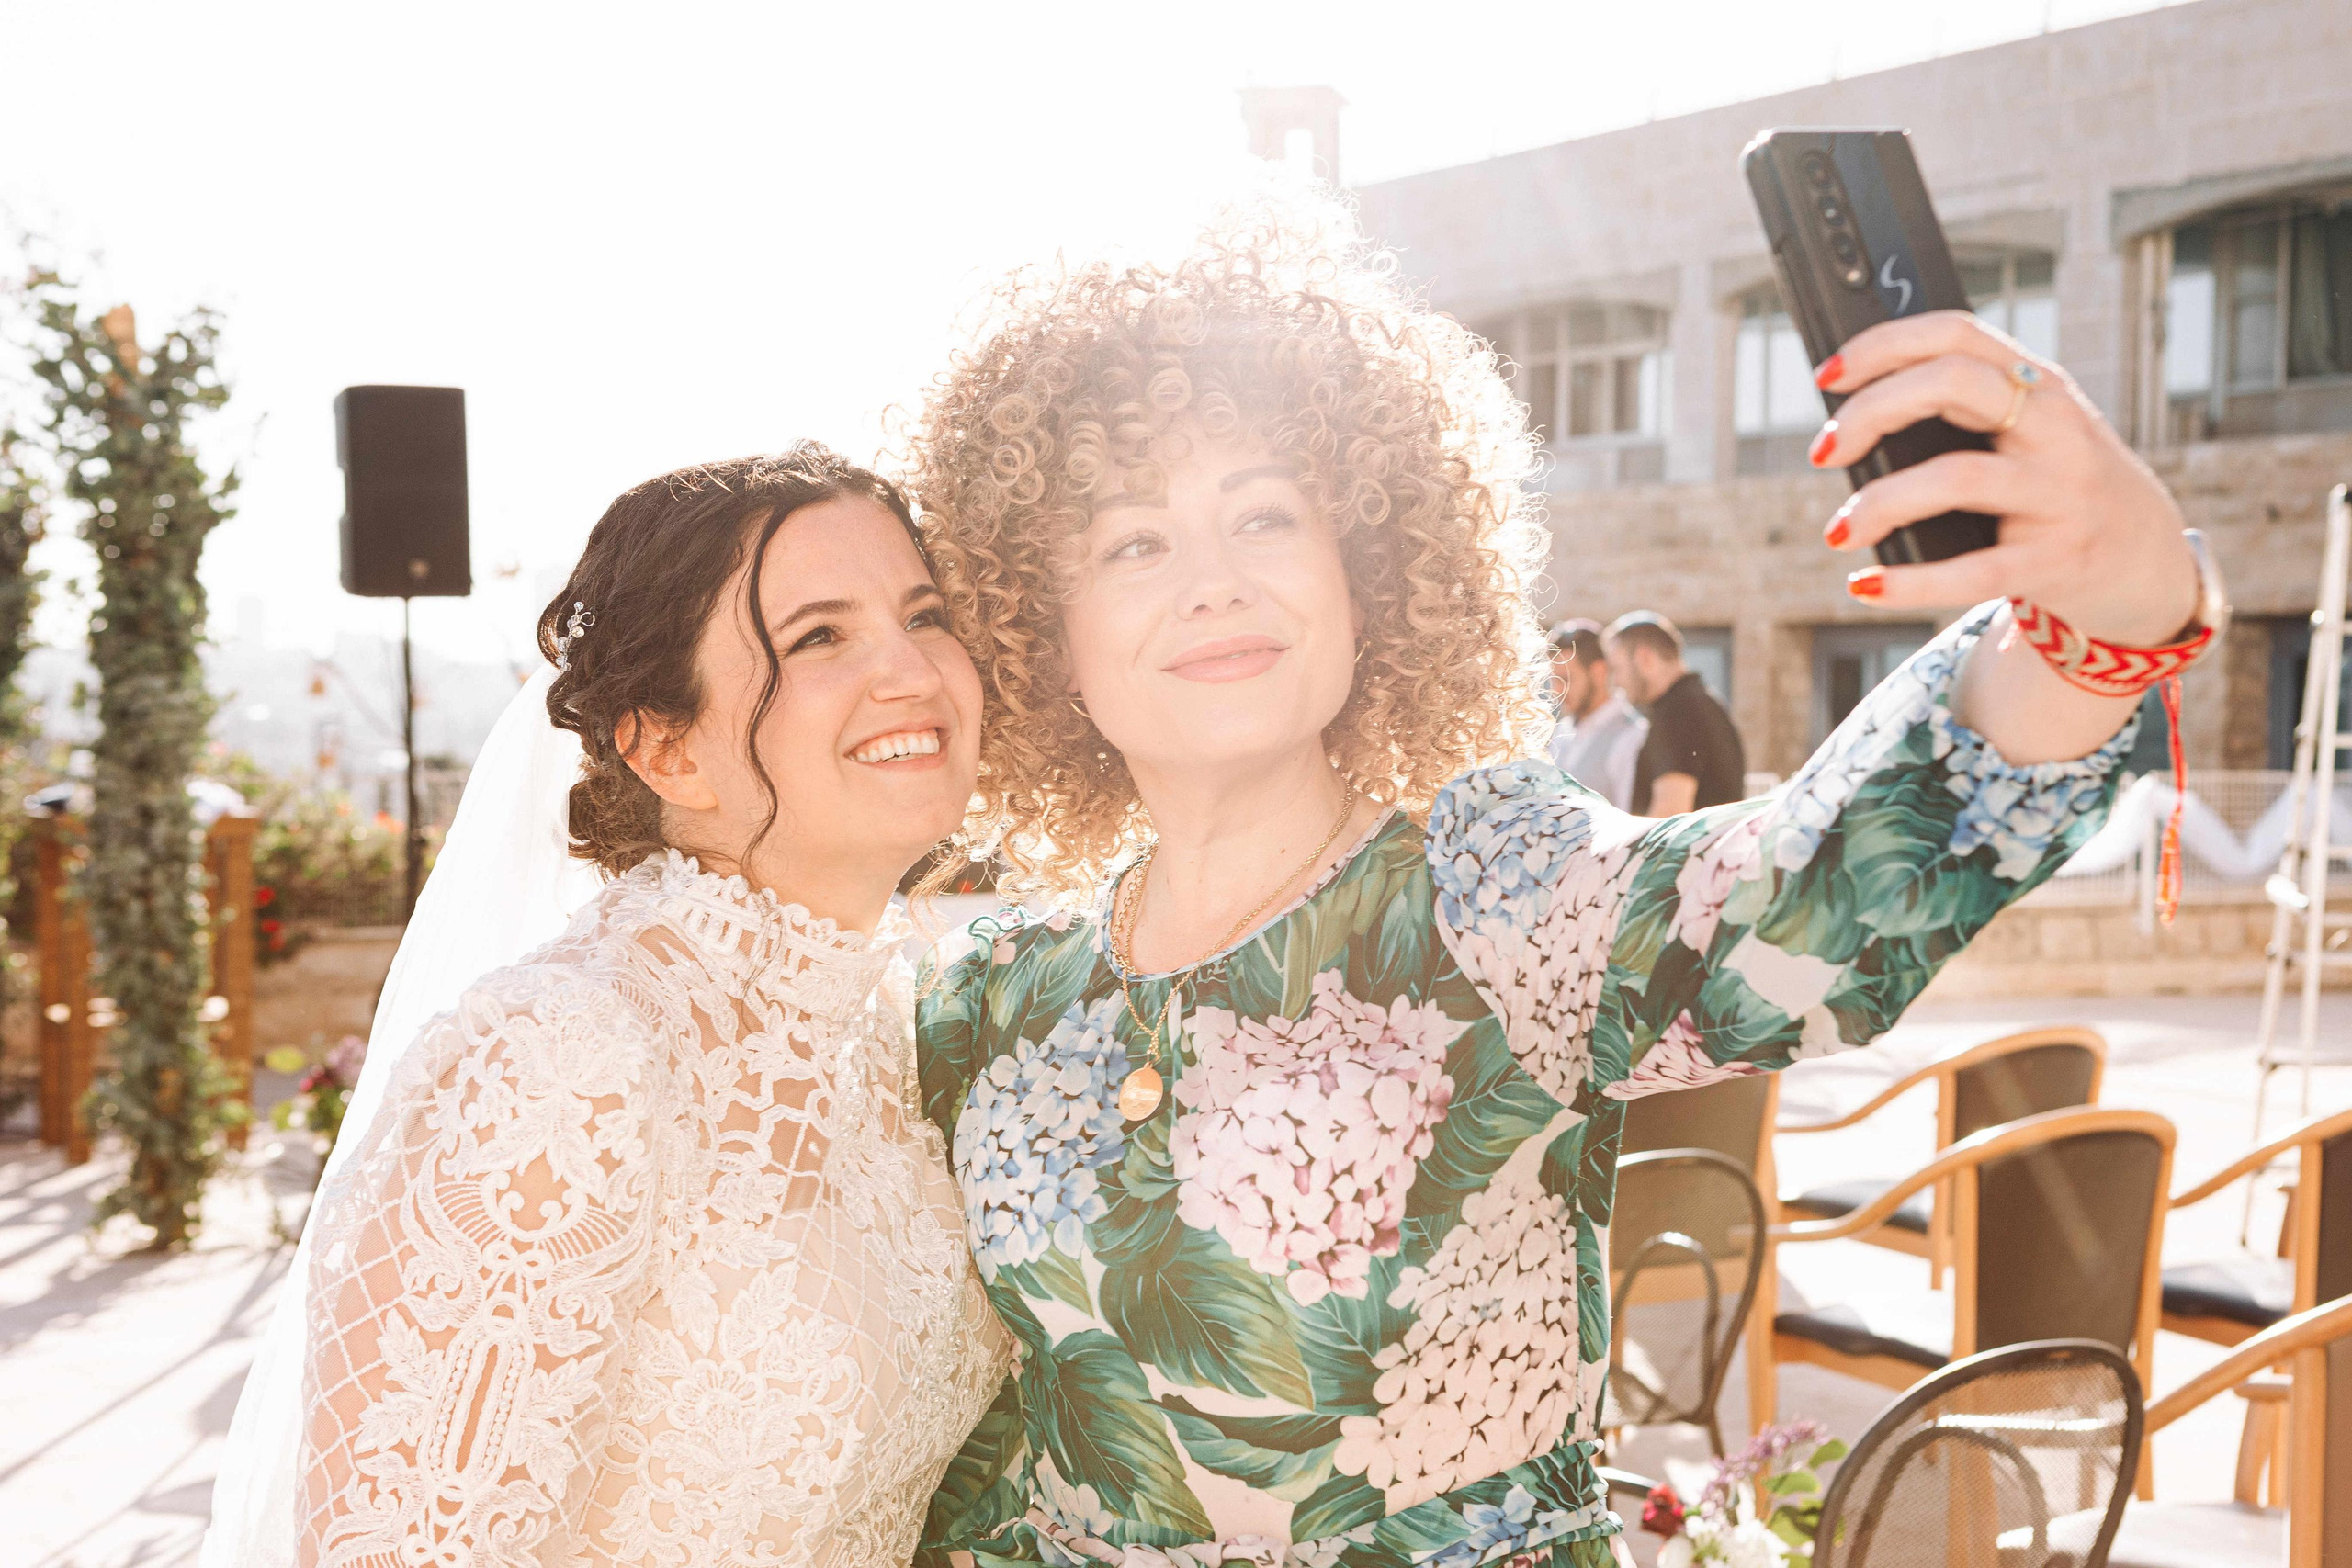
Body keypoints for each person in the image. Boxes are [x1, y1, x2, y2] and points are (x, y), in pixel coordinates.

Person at [901, 186, 2212, 1568]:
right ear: (1042, 630)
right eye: (1134, 542)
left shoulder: (1490, 883)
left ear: (1371, 571)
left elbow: (1802, 901)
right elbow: (978, 1427)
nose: (1215, 581)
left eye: (1266, 517)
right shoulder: (999, 987)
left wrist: (2106, 609)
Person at [203, 447, 1010, 1567]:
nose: (914, 671)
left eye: (923, 615)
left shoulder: (880, 1036)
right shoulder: (561, 1057)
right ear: (666, 746)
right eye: (819, 635)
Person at [1605, 612, 1747, 815]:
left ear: (1644, 658)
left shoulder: (1678, 713)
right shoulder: (1701, 702)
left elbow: (1669, 816)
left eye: (1617, 669)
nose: (1616, 682)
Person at [1544, 617, 1646, 810]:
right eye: (1554, 680)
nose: (1557, 691)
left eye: (1566, 679)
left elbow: (1631, 820)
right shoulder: (1560, 734)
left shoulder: (1631, 734)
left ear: (1599, 672)